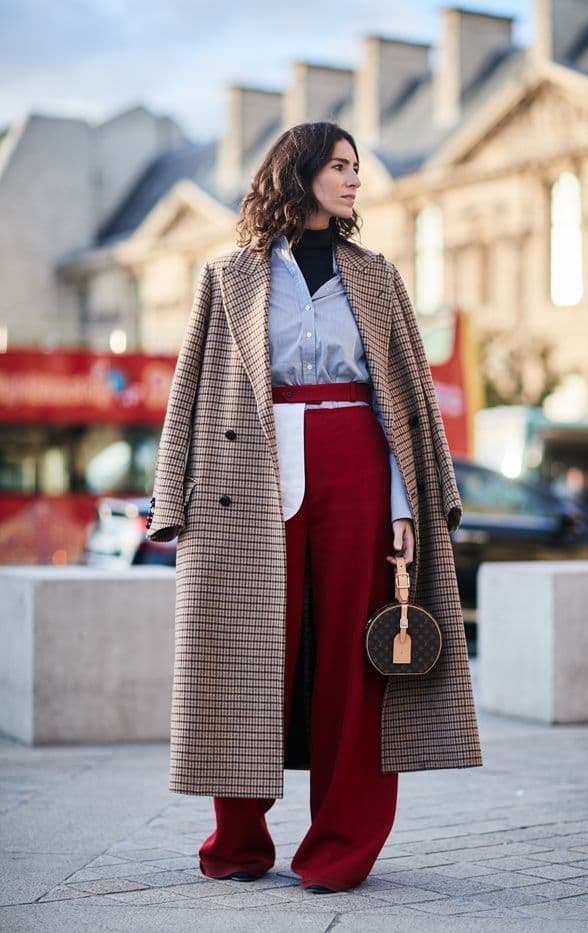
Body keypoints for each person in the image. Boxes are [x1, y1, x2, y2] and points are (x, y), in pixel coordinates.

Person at [146, 121, 483, 895]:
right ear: (297, 174)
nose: (353, 179)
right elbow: (189, 390)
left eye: (355, 167)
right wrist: (171, 499)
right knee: (246, 657)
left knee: (351, 660)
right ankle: (238, 840)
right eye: (338, 166)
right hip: (246, 473)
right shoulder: (227, 276)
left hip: (356, 464)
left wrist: (406, 502)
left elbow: (404, 399)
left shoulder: (376, 275)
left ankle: (340, 845)